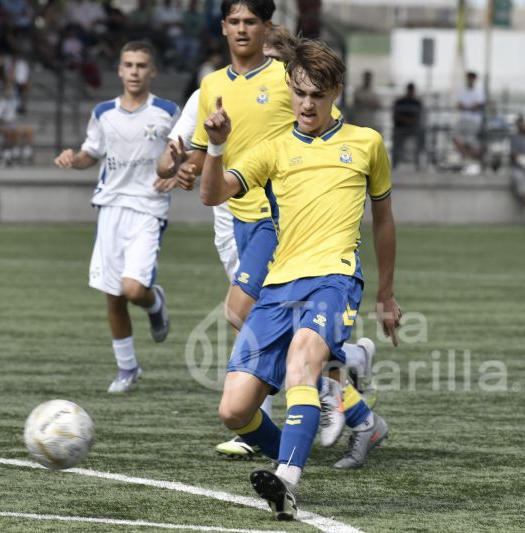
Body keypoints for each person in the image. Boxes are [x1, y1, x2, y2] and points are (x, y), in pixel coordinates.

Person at [200, 37, 400, 520]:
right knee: (234, 411)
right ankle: (295, 449)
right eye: (299, 93)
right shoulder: (273, 150)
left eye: (317, 95)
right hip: (278, 287)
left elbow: (384, 220)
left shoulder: (367, 144)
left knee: (301, 363)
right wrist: (216, 146)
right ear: (290, 88)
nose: (307, 104)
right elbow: (212, 194)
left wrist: (386, 293)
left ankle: (287, 481)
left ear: (336, 93)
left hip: (334, 279)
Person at [172, 0, 379, 461]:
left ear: (266, 28)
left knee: (238, 310)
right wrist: (183, 165)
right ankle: (345, 378)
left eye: (251, 21)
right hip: (233, 216)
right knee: (260, 321)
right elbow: (196, 149)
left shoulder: (288, 77)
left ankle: (316, 391)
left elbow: (317, 126)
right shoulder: (211, 86)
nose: (242, 29)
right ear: (222, 27)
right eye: (234, 21)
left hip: (276, 218)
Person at [54, 41, 179, 392]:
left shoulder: (168, 111)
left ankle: (154, 303)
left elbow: (186, 153)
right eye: (129, 65)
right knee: (113, 295)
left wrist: (176, 173)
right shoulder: (103, 113)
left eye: (141, 65)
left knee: (133, 290)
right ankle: (127, 368)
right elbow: (90, 154)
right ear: (120, 70)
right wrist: (73, 159)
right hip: (110, 208)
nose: (135, 71)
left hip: (148, 208)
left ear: (152, 71)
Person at [453, 71, 485, 175]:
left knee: (470, 142)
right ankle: (466, 154)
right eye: (469, 78)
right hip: (463, 119)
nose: (470, 80)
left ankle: (469, 156)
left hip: (474, 121)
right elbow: (460, 105)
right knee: (455, 137)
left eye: (472, 78)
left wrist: (468, 107)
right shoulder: (462, 90)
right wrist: (469, 107)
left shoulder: (479, 91)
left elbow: (477, 106)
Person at [391, 82, 423, 169]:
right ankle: (394, 164)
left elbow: (419, 117)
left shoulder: (417, 103)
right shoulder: (400, 102)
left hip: (413, 128)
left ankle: (419, 163)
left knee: (421, 135)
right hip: (400, 128)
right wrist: (406, 120)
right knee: (396, 143)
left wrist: (409, 121)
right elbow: (395, 116)